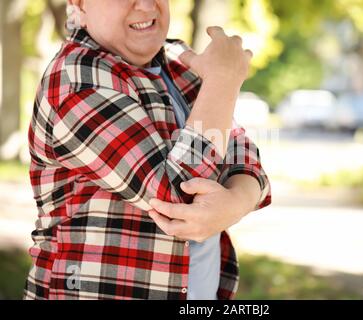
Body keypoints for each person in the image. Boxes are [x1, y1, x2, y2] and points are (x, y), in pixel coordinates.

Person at [24, 0, 271, 300]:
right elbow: (176, 197)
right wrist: (222, 81)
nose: (145, 4)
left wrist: (235, 202)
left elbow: (246, 159)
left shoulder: (177, 60)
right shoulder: (76, 79)